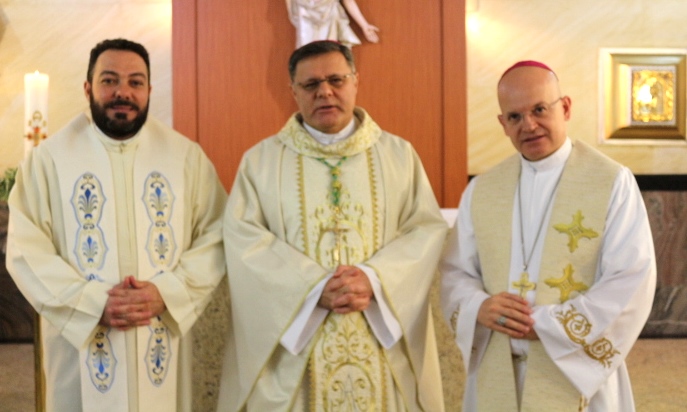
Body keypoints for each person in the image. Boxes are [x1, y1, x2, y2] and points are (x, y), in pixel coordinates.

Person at [217, 40, 447, 411]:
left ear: (356, 82)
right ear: (293, 92)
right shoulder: (260, 162)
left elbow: (426, 229)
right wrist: (311, 288)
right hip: (296, 360)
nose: (325, 91)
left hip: (378, 345)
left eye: (336, 80)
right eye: (310, 85)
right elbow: (244, 241)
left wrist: (373, 280)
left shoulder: (399, 156)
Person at [6, 38, 227, 412]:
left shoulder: (185, 157)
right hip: (81, 347)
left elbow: (217, 235)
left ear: (149, 90)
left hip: (159, 338)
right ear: (88, 87)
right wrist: (93, 305)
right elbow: (26, 250)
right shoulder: (49, 161)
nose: (122, 92)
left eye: (135, 82)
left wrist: (166, 293)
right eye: (109, 80)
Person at [440, 60, 657, 411]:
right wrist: (480, 306)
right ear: (502, 124)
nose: (529, 125)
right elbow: (455, 272)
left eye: (540, 109)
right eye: (514, 117)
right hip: (499, 368)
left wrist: (547, 325)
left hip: (574, 371)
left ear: (565, 107)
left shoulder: (611, 181)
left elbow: (632, 278)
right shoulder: (483, 190)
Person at [286, 0, 380, 48]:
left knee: (329, 55)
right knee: (307, 58)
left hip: (329, 19)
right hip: (306, 21)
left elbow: (348, 1)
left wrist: (364, 25)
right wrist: (294, 16)